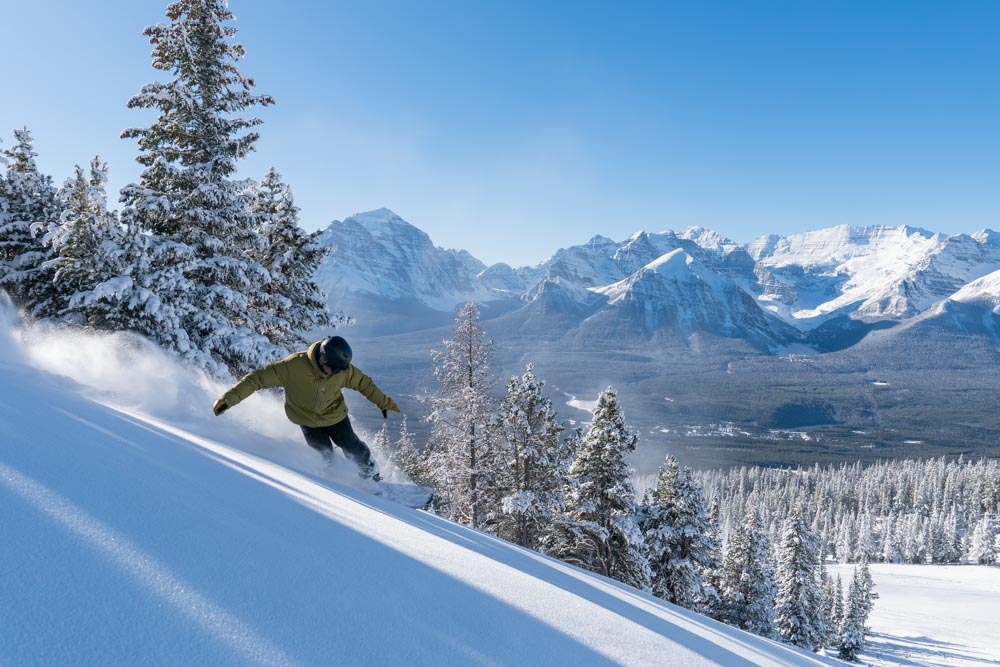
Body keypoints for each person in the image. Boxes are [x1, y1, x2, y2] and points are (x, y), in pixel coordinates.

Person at [212, 335, 399, 480]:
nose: (337, 373)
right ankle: (338, 485)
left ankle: (372, 478)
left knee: (352, 447)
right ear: (324, 359)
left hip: (335, 416)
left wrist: (383, 402)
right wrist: (228, 399)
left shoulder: (342, 369)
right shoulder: (292, 367)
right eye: (333, 368)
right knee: (323, 456)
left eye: (340, 369)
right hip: (307, 421)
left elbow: (364, 383)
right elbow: (257, 379)